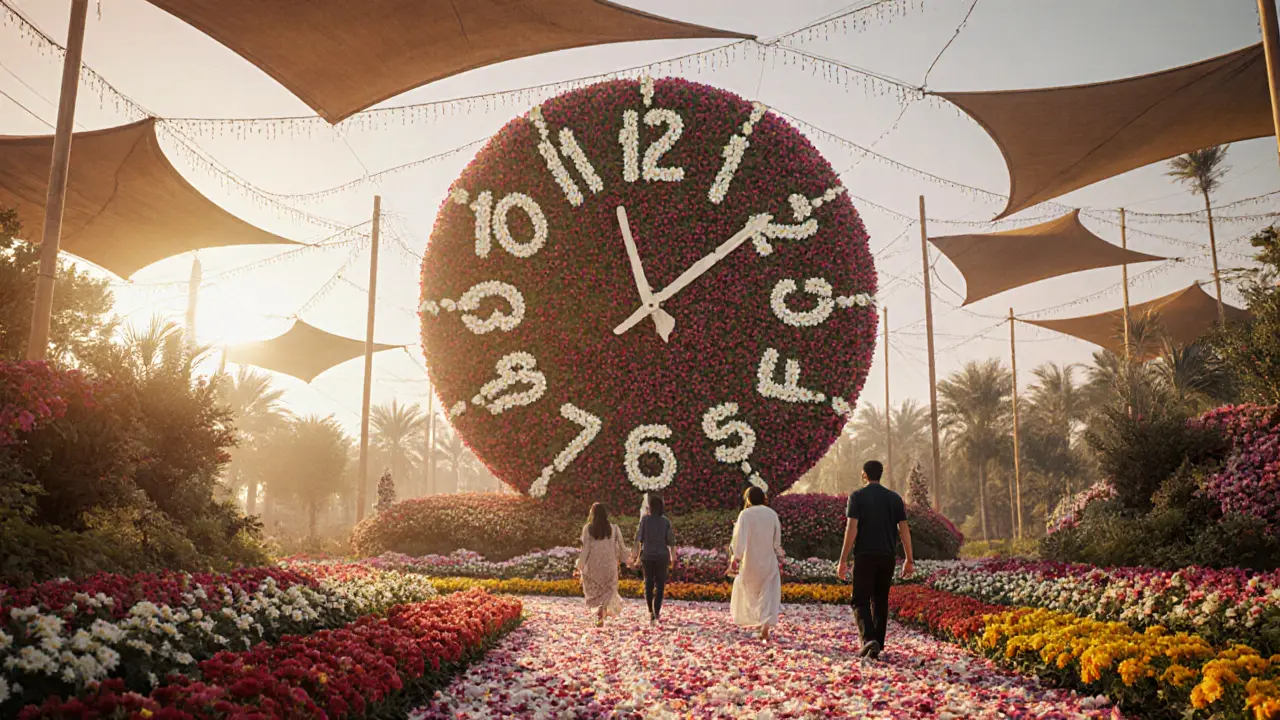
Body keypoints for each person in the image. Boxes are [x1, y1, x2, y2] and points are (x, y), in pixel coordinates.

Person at [837, 460, 914, 660]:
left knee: (860, 599)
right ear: (881, 474)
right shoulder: (894, 498)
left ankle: (869, 639)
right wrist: (909, 559)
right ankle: (877, 643)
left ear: (864, 474)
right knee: (880, 600)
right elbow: (904, 529)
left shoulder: (857, 497)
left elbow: (851, 528)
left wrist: (843, 559)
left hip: (864, 554)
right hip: (887, 555)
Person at [728, 486, 785, 642]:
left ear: (748, 499)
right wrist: (779, 552)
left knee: (751, 593)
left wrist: (735, 558)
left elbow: (739, 538)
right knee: (768, 593)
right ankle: (765, 625)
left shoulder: (745, 514)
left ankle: (760, 624)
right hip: (768, 559)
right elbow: (776, 540)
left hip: (750, 561)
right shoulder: (772, 514)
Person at [574, 502, 627, 627]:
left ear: (592, 514)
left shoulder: (587, 528)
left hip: (593, 566)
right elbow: (622, 547)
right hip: (609, 565)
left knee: (595, 591)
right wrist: (625, 560)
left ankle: (599, 611)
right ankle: (602, 609)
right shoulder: (614, 528)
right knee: (609, 590)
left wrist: (580, 564)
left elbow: (585, 549)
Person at [630, 493, 676, 625]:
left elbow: (639, 539)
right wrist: (673, 557)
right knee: (660, 585)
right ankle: (657, 611)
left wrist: (635, 557)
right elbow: (671, 541)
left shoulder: (645, 520)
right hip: (662, 556)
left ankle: (650, 610)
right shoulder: (665, 522)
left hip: (648, 556)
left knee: (648, 583)